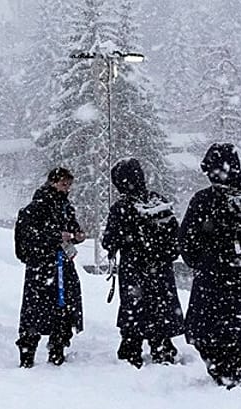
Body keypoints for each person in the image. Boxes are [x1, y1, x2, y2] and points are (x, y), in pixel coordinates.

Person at [178, 143, 241, 388]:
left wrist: (203, 261)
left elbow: (186, 242)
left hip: (212, 280)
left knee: (209, 331)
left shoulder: (203, 200)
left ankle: (223, 374)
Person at [101, 157, 185, 367]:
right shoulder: (159, 202)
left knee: (134, 308)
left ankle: (131, 349)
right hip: (161, 269)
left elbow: (109, 241)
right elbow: (175, 236)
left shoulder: (122, 207)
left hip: (134, 269)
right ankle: (162, 347)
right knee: (161, 307)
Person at [13, 166, 85, 367]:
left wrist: (76, 235)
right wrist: (56, 236)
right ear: (53, 183)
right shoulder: (38, 206)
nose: (67, 188)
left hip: (60, 266)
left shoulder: (65, 206)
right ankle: (28, 354)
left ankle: (57, 349)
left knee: (62, 310)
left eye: (69, 185)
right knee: (35, 312)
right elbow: (30, 236)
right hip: (42, 268)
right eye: (63, 184)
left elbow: (71, 228)